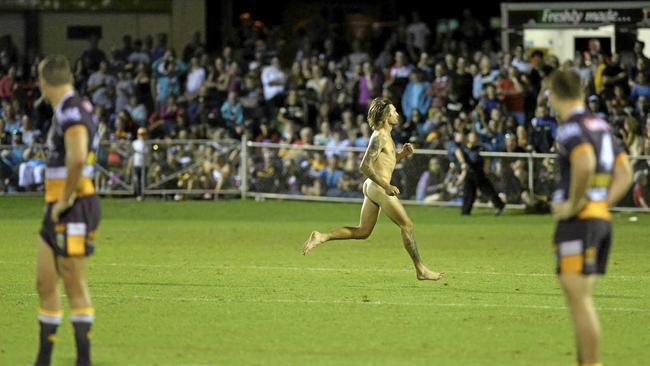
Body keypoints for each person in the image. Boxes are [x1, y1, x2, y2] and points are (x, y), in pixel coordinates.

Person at [302, 97, 444, 281]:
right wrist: (386, 186)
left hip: (374, 187)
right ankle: (421, 270)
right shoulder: (380, 136)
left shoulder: (386, 135)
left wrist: (402, 155)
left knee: (363, 232)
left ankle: (322, 236)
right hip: (378, 187)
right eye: (393, 111)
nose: (397, 114)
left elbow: (383, 164)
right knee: (407, 225)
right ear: (386, 115)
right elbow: (365, 166)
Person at [548, 70, 633, 366]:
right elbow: (625, 173)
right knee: (582, 299)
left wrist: (574, 205)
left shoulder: (570, 128)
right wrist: (601, 204)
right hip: (599, 219)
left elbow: (584, 162)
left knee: (580, 303)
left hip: (579, 223)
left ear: (554, 93)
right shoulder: (602, 125)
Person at [33, 55, 100, 366]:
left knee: (73, 283)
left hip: (72, 206)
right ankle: (43, 360)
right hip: (57, 206)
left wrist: (65, 199)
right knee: (45, 282)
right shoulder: (67, 109)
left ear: (43, 82)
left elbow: (76, 158)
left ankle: (82, 361)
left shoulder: (72, 110)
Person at [454, 130, 505, 215]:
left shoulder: (481, 147)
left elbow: (486, 158)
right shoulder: (465, 147)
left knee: (487, 190)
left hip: (478, 171)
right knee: (468, 192)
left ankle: (499, 205)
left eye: (474, 137)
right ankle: (465, 211)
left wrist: (486, 169)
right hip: (469, 171)